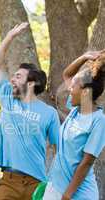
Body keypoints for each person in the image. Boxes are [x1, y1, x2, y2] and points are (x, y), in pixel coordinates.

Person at [0, 23, 61, 200]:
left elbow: (60, 149)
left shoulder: (49, 113)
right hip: (9, 181)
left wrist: (53, 182)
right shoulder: (8, 98)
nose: (12, 79)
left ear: (31, 83)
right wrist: (9, 37)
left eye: (18, 76)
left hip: (37, 183)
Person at [43, 50, 105, 200]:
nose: (69, 89)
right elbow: (67, 75)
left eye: (73, 87)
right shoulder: (75, 110)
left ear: (84, 92)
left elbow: (87, 161)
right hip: (55, 186)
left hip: (78, 194)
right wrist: (85, 57)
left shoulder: (98, 121)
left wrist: (67, 195)